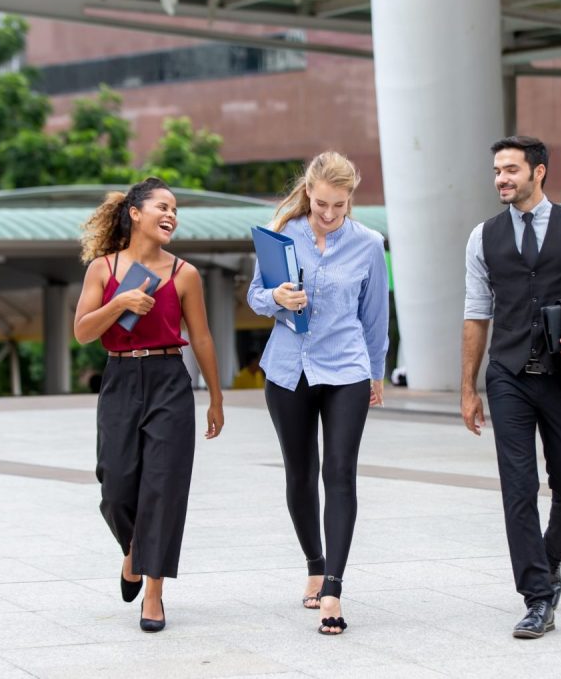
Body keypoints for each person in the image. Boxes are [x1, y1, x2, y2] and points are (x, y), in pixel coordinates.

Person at [459, 136, 561, 639]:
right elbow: (475, 314)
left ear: (539, 172)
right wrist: (467, 388)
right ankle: (536, 596)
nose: (502, 179)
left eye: (511, 170)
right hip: (507, 375)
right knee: (518, 488)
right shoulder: (482, 237)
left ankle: (551, 558)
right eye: (496, 171)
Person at [73, 177, 224, 633]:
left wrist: (216, 397)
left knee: (163, 488)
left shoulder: (185, 274)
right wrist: (119, 302)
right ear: (135, 213)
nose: (171, 215)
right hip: (120, 377)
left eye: (175, 209)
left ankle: (154, 595)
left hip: (169, 381)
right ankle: (133, 555)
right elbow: (82, 332)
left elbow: (200, 336)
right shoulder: (103, 268)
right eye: (162, 206)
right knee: (116, 487)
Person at [247, 151, 388, 636]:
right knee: (301, 473)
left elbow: (375, 316)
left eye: (340, 206)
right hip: (288, 370)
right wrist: (276, 298)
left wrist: (376, 372)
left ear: (351, 200)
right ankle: (313, 560)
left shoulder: (369, 245)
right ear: (309, 192)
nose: (329, 215)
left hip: (346, 368)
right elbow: (254, 295)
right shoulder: (280, 236)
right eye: (322, 203)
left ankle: (333, 587)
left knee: (340, 473)